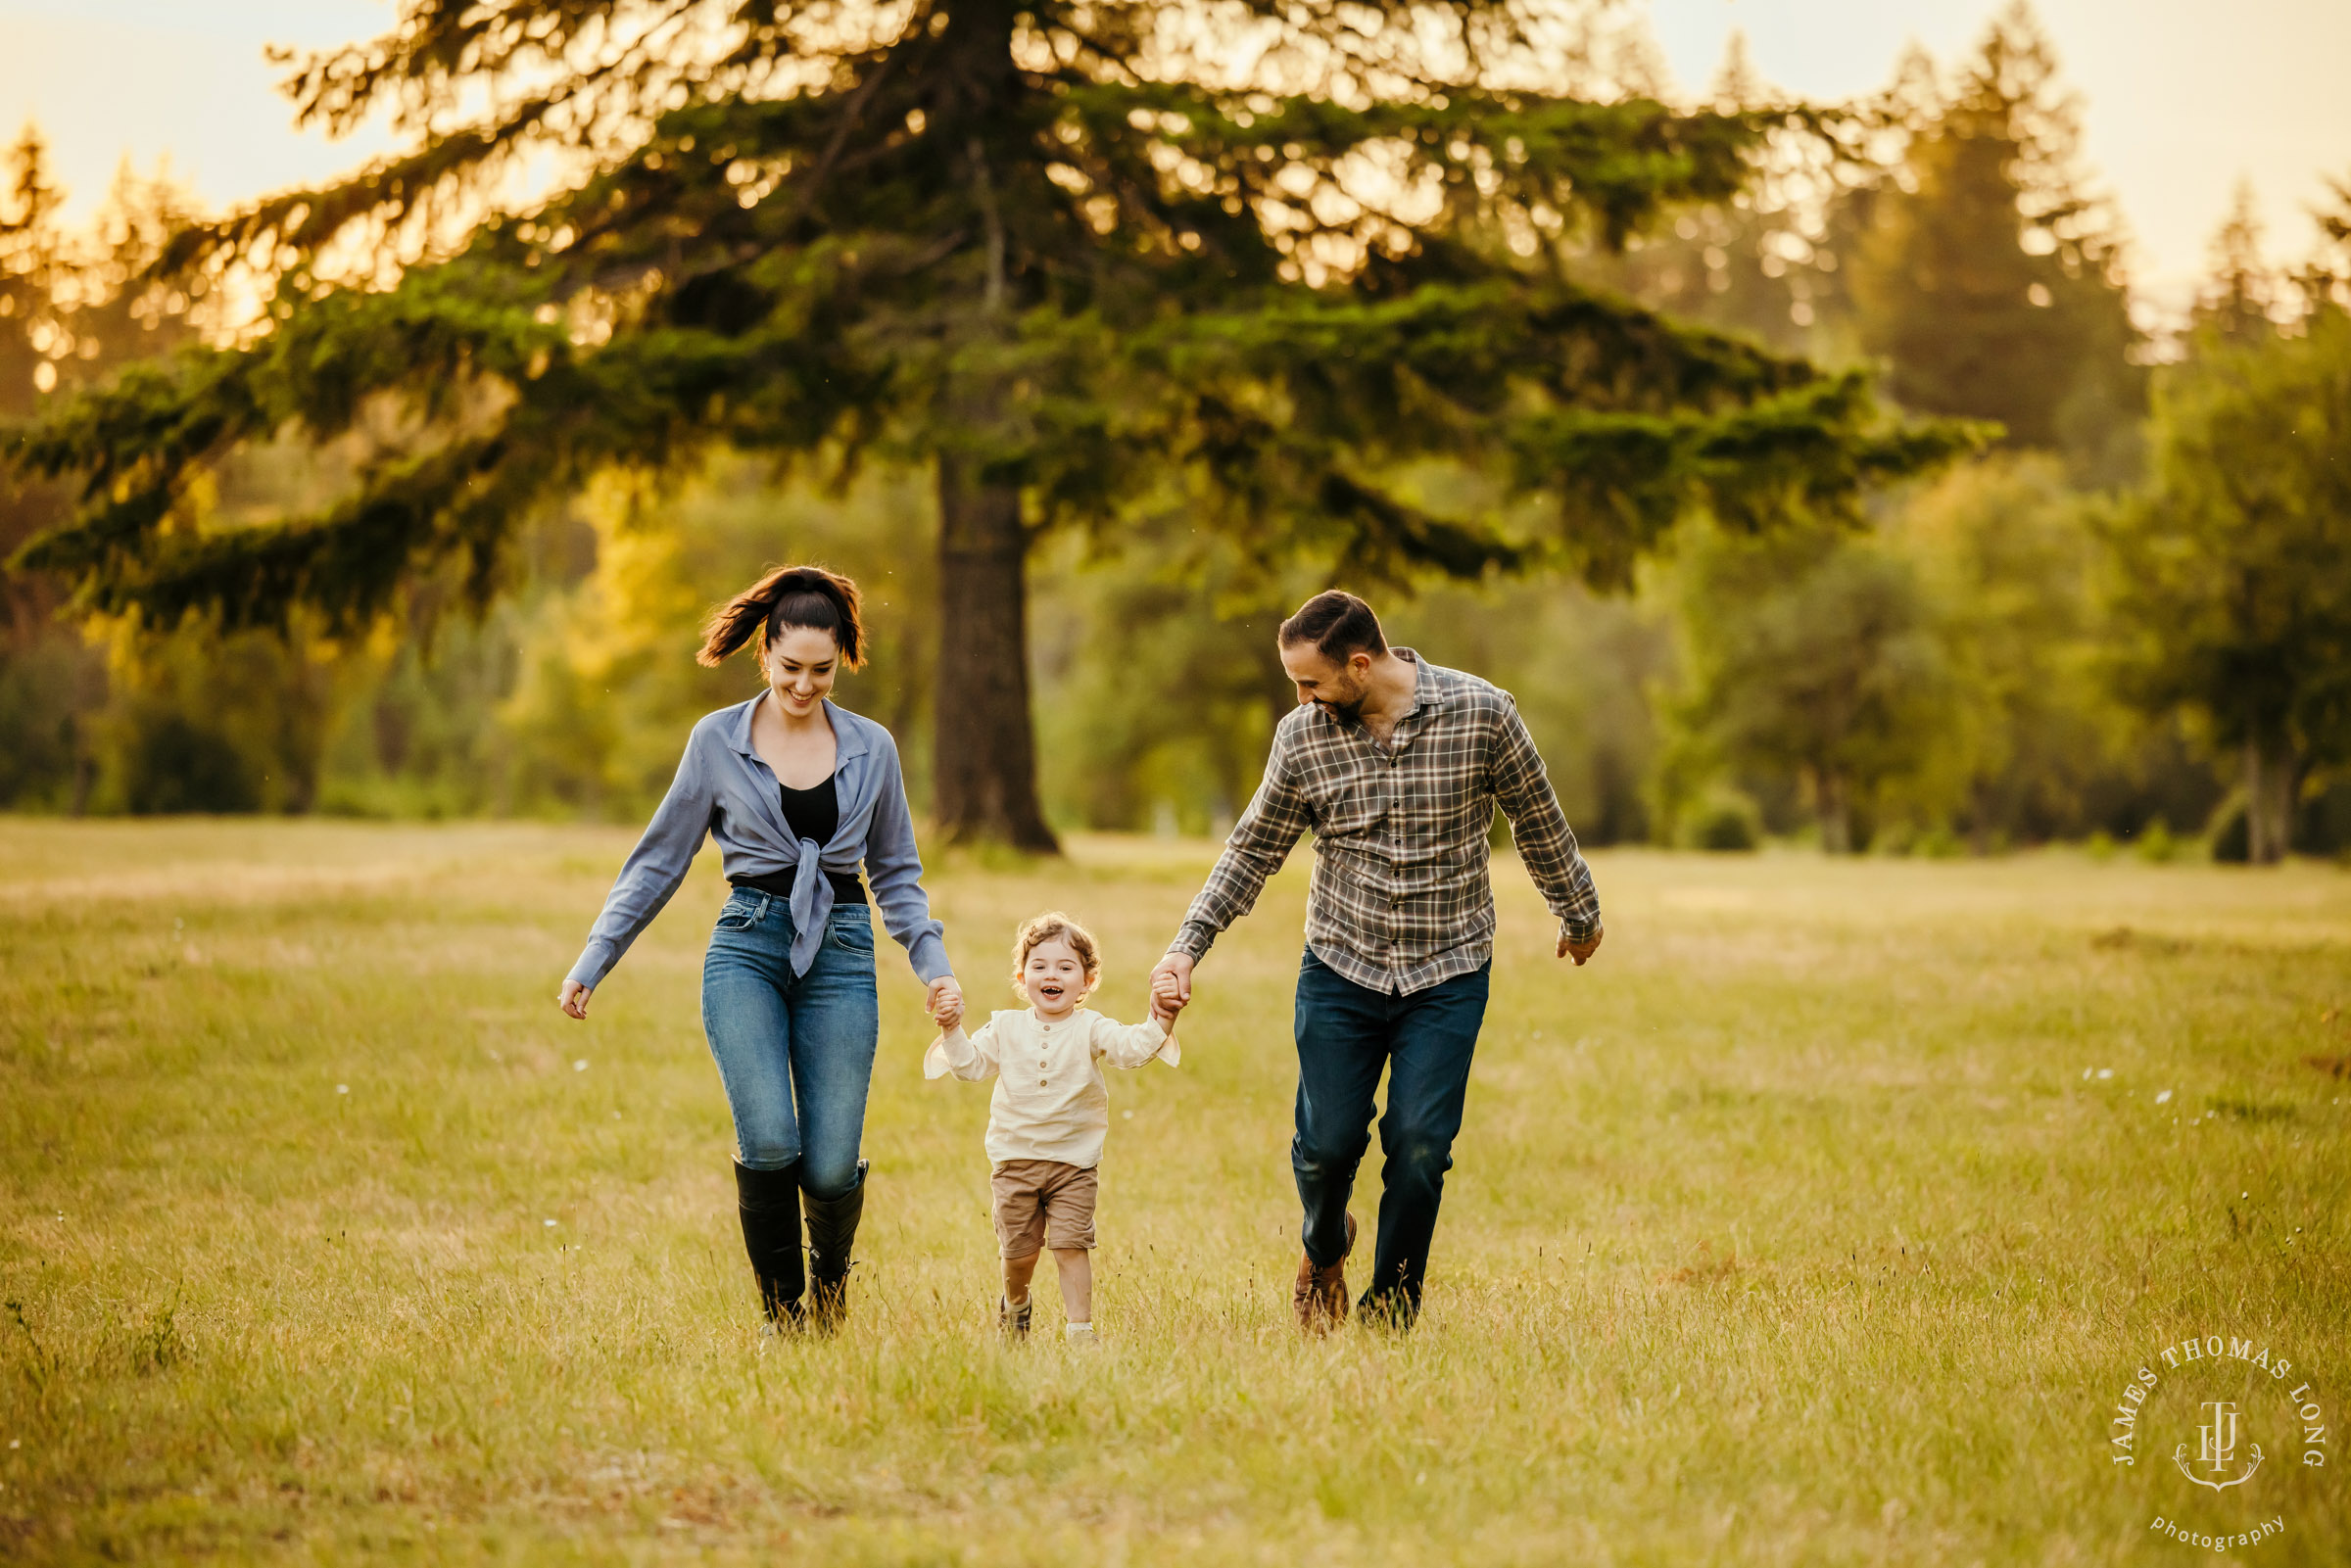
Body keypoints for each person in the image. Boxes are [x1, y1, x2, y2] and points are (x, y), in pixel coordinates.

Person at [1150, 590, 1604, 1332]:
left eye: (1311, 683)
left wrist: (1577, 911)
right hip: (1340, 965)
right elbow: (1253, 849)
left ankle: (1391, 1313)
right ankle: (1323, 1248)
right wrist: (1185, 947)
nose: (1300, 699)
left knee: (1421, 1146)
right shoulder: (1303, 737)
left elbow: (1537, 813)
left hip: (1447, 971)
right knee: (1326, 1147)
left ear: (1360, 664)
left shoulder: (1485, 713)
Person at [555, 565, 962, 1334]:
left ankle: (829, 1296)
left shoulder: (873, 748)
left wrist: (933, 967)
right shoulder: (716, 740)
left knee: (832, 1161)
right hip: (745, 945)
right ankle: (783, 1315)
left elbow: (899, 874)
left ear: (840, 657)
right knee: (771, 1137)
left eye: (822, 671)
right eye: (790, 669)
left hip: (841, 949)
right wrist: (593, 958)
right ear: (763, 653)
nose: (805, 686)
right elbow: (658, 861)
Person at [926, 912, 1183, 1341]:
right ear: (1022, 975)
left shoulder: (1091, 1027)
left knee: (1070, 1246)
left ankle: (1080, 1330)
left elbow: (1132, 1049)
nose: (1052, 975)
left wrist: (1163, 1019)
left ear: (1087, 981)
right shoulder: (1005, 1027)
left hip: (1073, 1166)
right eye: (1040, 966)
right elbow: (969, 1067)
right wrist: (953, 1028)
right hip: (1015, 1164)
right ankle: (1017, 1305)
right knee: (1019, 1255)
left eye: (1066, 968)